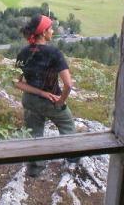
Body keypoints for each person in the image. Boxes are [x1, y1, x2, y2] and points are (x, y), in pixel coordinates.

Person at [15, 14, 77, 177]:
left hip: (30, 101)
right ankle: (73, 161)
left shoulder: (23, 52)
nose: (53, 31)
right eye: (50, 28)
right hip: (51, 101)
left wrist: (40, 92)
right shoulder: (54, 53)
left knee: (34, 134)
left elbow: (17, 82)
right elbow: (68, 85)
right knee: (67, 126)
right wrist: (61, 101)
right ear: (43, 32)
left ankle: (35, 169)